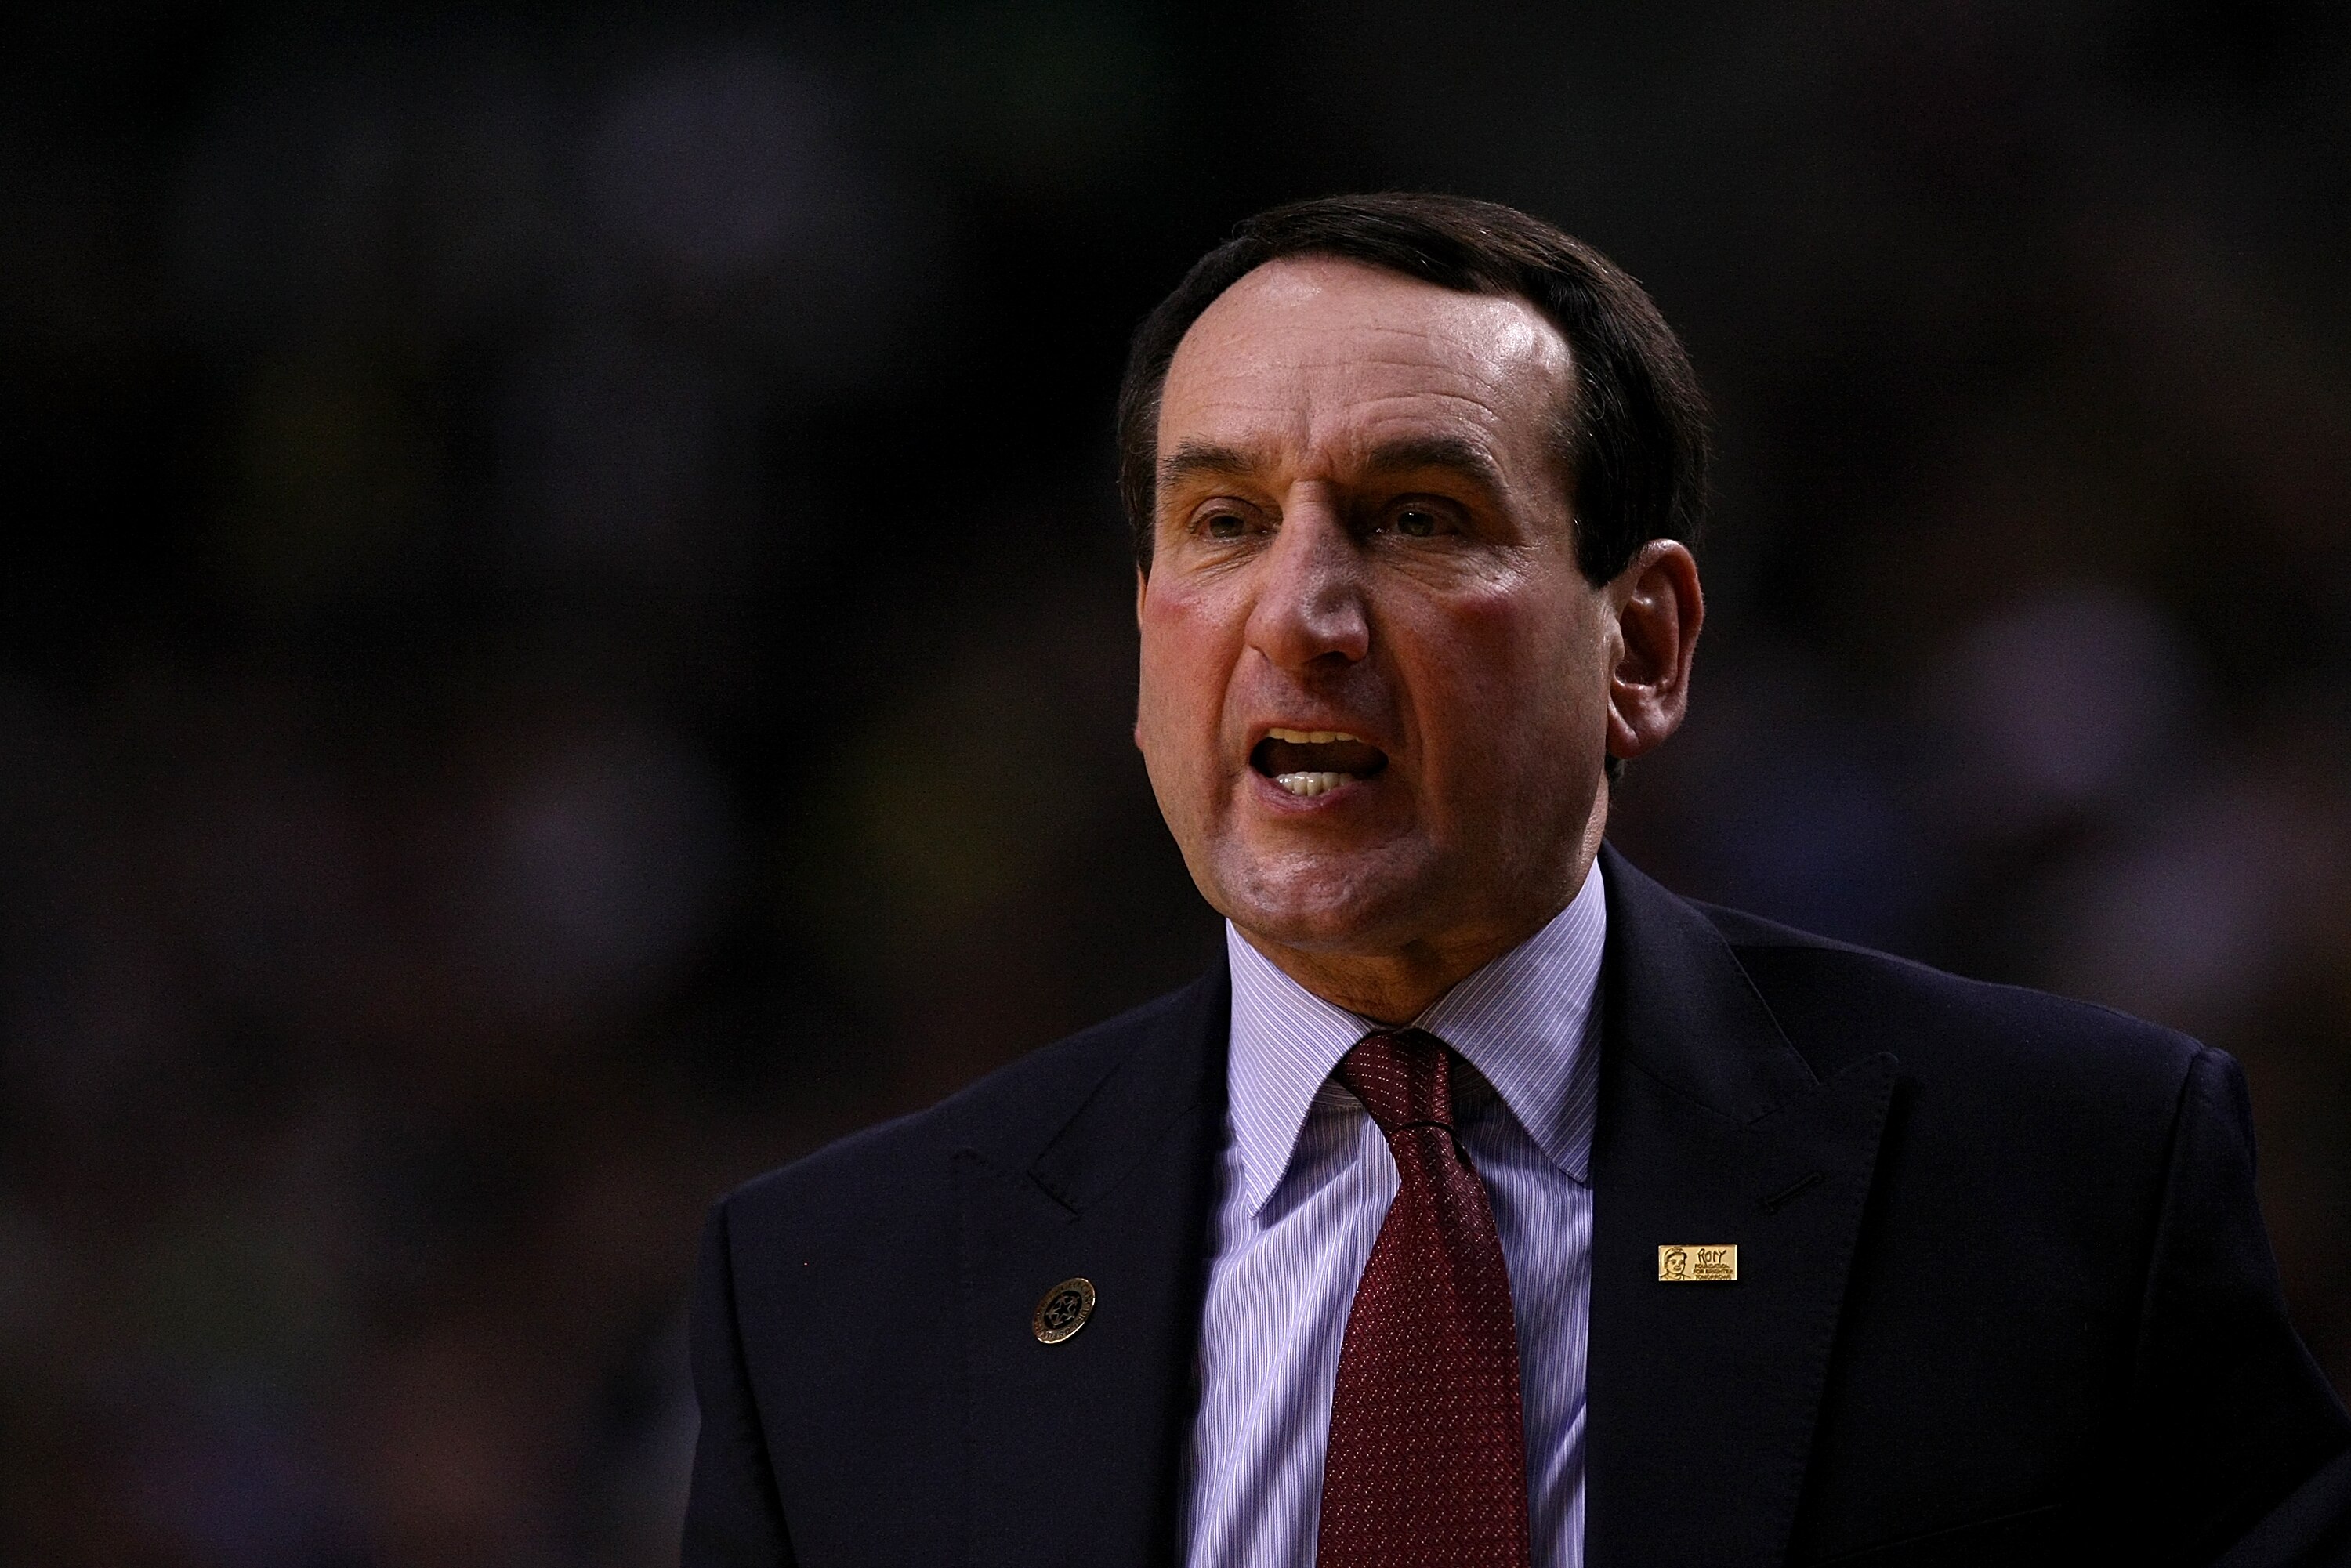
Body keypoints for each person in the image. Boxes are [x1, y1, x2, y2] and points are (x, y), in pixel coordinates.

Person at [680, 194, 2351, 1567]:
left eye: (1415, 515)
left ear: (1645, 641)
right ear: (1142, 637)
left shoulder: (2067, 1181)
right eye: (1222, 520)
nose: (1302, 614)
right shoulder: (839, 1290)